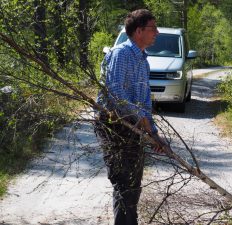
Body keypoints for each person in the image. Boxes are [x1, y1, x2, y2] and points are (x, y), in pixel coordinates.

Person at [95, 9, 165, 225]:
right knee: (123, 182)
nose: (157, 32)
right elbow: (115, 93)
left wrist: (152, 132)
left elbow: (144, 102)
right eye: (153, 28)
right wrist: (140, 119)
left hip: (133, 127)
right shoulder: (121, 54)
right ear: (138, 31)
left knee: (134, 184)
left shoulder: (143, 61)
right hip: (112, 125)